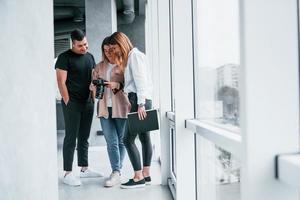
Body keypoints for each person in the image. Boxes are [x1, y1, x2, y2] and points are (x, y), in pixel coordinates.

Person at [55, 29, 102, 186]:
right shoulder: (64, 57)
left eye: (86, 44)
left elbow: (94, 76)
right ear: (73, 44)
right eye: (81, 45)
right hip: (72, 104)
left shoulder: (89, 57)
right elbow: (61, 81)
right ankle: (68, 173)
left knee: (84, 137)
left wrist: (93, 88)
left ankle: (84, 169)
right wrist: (67, 100)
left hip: (88, 102)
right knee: (70, 138)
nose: (85, 48)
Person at [108, 32, 154, 189]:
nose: (115, 51)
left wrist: (140, 104)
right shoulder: (135, 56)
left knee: (127, 139)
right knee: (144, 137)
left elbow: (141, 82)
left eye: (115, 47)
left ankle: (138, 177)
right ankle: (146, 174)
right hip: (142, 100)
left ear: (122, 43)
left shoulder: (134, 56)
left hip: (140, 101)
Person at [90, 37, 131, 187]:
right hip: (104, 108)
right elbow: (93, 86)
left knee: (122, 140)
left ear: (116, 49)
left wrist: (114, 84)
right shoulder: (99, 66)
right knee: (111, 141)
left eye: (111, 50)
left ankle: (116, 171)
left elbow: (128, 85)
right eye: (105, 50)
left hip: (121, 106)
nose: (108, 53)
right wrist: (94, 86)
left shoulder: (124, 65)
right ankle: (116, 171)